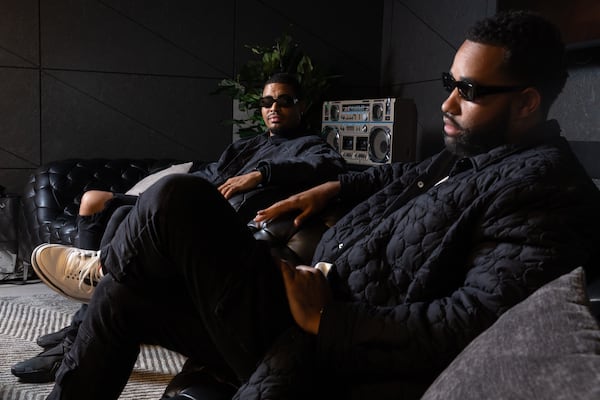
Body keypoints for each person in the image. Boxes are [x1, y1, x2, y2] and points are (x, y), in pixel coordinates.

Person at [31, 10, 600, 399]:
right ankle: (104, 285)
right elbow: (396, 172)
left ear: (526, 102)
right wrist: (330, 190)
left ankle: (103, 260)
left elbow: (473, 320)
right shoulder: (473, 155)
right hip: (302, 298)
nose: (447, 102)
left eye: (470, 91)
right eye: (450, 81)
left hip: (321, 337)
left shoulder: (546, 190)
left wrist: (328, 319)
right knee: (125, 294)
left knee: (178, 198)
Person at [11, 72, 346, 384]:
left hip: (227, 227)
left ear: (300, 106)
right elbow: (211, 175)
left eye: (284, 100)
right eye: (267, 102)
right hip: (198, 210)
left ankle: (87, 309)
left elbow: (330, 166)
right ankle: (91, 300)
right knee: (113, 211)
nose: (274, 108)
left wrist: (261, 175)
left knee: (123, 224)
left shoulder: (310, 145)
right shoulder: (247, 145)